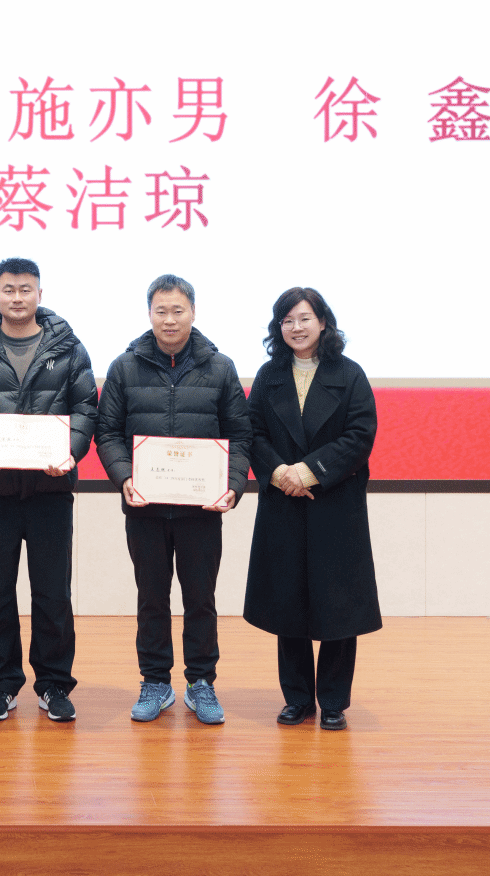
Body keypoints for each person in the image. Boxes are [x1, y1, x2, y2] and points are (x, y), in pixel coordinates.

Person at [0, 257, 99, 724]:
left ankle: (54, 684)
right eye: (8, 289)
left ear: (39, 295)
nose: (16, 297)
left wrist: (70, 451)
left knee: (53, 594)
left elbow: (86, 408)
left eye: (25, 289)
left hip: (51, 489)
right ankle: (0, 685)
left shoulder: (70, 350)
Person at [94, 273, 250, 726]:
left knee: (201, 599)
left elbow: (240, 435)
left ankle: (201, 682)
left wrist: (233, 484)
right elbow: (107, 432)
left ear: (193, 312)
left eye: (177, 310)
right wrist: (123, 476)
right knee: (152, 598)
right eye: (160, 310)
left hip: (201, 510)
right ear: (149, 314)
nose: (169, 319)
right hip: (145, 508)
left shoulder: (220, 368)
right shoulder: (125, 367)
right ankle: (155, 681)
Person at [243, 287, 382, 729]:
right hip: (283, 501)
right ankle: (298, 698)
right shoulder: (269, 375)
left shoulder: (350, 374)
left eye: (304, 318)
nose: (296, 327)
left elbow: (360, 435)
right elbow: (251, 431)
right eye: (287, 320)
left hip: (334, 503)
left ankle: (334, 701)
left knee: (338, 605)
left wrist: (309, 471)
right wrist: (280, 472)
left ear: (323, 322)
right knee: (288, 603)